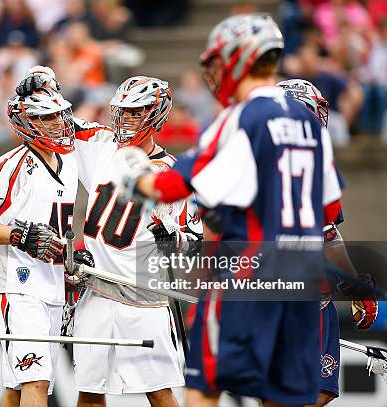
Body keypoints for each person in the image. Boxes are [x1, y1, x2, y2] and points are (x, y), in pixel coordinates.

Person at [124, 14, 343, 406]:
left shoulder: (240, 117)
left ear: (240, 59)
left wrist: (137, 177)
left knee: (204, 390)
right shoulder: (310, 124)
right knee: (282, 399)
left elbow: (171, 186)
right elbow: (330, 206)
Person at [15, 69, 202, 406]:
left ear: (156, 114)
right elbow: (57, 121)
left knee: (159, 394)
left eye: (135, 112)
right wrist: (46, 82)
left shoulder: (172, 174)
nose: (126, 119)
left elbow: (195, 239)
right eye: (123, 111)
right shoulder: (101, 144)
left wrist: (175, 238)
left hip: (144, 294)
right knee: (88, 392)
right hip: (97, 290)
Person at [0, 85, 77, 407]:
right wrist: (19, 235)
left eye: (58, 114)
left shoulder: (69, 163)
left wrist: (71, 256)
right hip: (17, 283)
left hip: (52, 282)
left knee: (17, 387)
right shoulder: (11, 165)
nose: (56, 123)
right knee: (35, 381)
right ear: (26, 124)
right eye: (45, 117)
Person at [277, 78, 379, 406]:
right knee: (316, 391)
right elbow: (328, 236)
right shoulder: (314, 165)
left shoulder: (249, 160)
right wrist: (359, 289)